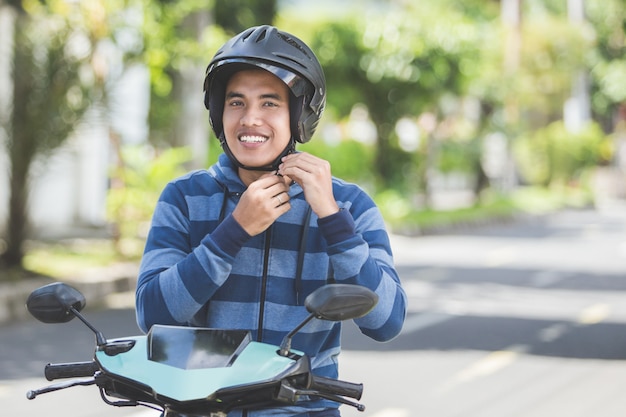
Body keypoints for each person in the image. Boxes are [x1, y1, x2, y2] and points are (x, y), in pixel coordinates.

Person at [135, 25, 407, 417]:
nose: (250, 119)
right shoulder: (184, 198)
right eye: (236, 103)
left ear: (299, 115)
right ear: (217, 111)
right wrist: (233, 231)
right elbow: (153, 313)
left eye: (269, 103)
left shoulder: (348, 204)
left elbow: (387, 321)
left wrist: (331, 218)